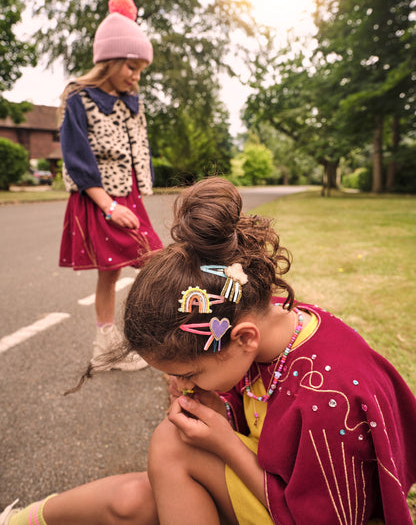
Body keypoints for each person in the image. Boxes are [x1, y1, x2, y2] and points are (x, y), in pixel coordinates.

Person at [2, 177, 416, 524]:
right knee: (135, 500)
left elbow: (325, 517)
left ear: (243, 339)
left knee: (169, 446)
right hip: (273, 487)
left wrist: (226, 442)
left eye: (189, 373)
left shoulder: (327, 395)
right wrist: (222, 409)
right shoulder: (272, 330)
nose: (179, 384)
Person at [57, 0, 163, 371]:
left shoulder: (131, 100)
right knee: (154, 263)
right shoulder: (78, 98)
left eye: (139, 70)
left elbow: (140, 151)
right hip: (101, 197)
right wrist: (110, 206)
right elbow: (77, 160)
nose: (135, 77)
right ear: (111, 59)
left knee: (116, 272)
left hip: (128, 195)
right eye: (131, 67)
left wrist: (135, 194)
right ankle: (116, 345)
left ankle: (108, 348)